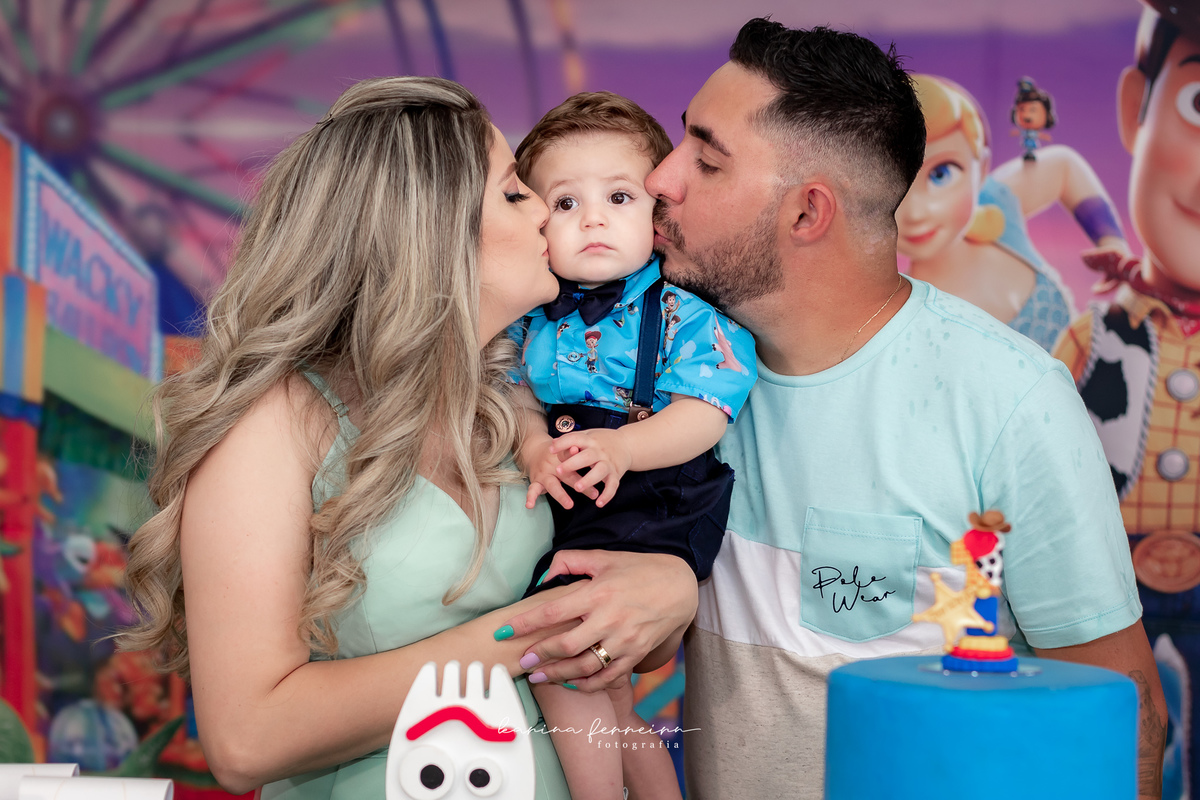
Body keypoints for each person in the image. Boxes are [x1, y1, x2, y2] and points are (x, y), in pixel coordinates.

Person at [117, 76, 699, 799]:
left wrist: (672, 591)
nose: (545, 212)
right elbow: (246, 739)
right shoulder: (276, 421)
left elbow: (628, 639)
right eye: (514, 193)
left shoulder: (515, 405)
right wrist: (532, 631)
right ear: (433, 231)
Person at [635, 18, 1166, 799]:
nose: (661, 177)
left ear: (807, 214)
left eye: (706, 160)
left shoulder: (1010, 399)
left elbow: (1123, 714)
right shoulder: (663, 377)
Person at [507, 91, 757, 800]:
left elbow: (705, 413)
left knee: (561, 650)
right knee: (611, 695)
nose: (593, 218)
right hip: (577, 491)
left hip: (658, 493)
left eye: (619, 197)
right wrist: (532, 443)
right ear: (536, 224)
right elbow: (513, 396)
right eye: (565, 203)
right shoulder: (527, 319)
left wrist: (625, 450)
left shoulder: (683, 310)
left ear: (658, 214)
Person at [1053, 1, 1200, 794]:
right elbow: (1038, 457)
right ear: (1134, 109)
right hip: (1105, 572)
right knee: (1106, 727)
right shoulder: (1098, 333)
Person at [896, 74, 1127, 352]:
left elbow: (1064, 167)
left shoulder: (996, 203)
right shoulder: (904, 314)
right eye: (892, 183)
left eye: (941, 174)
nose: (915, 212)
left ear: (980, 169)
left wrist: (1111, 241)